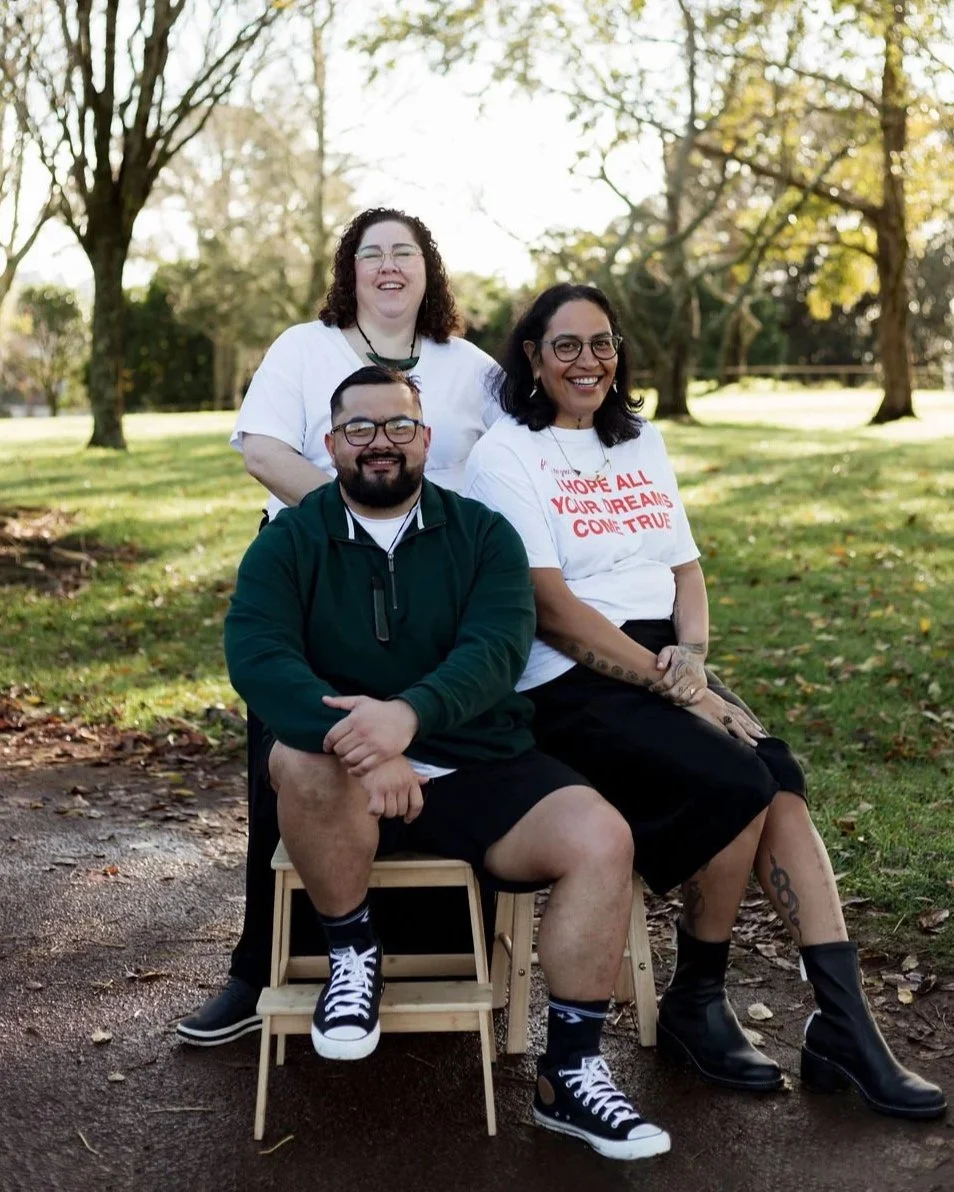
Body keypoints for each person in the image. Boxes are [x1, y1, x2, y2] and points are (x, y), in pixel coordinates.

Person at [464, 283, 946, 1121]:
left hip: (662, 657)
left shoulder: (640, 440)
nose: (589, 360)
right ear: (533, 359)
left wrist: (693, 661)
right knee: (734, 778)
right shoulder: (506, 456)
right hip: (568, 678)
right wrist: (670, 682)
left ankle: (843, 1025)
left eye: (603, 343)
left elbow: (685, 568)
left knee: (776, 775)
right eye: (567, 345)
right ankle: (700, 996)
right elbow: (553, 608)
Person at [220, 364, 672, 1161]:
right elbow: (257, 657)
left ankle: (569, 1073)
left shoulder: (481, 534)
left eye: (398, 426)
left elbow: (495, 651)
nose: (380, 443)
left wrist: (408, 717)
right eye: (359, 428)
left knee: (600, 837)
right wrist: (366, 746)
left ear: (425, 438)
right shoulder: (290, 541)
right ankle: (354, 955)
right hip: (342, 781)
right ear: (330, 446)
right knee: (299, 759)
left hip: (476, 759)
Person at [178, 208, 500, 1046]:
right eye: (372, 255)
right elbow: (259, 448)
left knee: (443, 743)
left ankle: (435, 951)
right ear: (347, 272)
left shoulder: (470, 368)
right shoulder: (304, 346)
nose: (389, 267)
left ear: (429, 271)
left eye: (405, 254)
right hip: (317, 569)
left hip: (433, 576)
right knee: (290, 764)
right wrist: (346, 521)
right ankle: (260, 969)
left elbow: (514, 463)